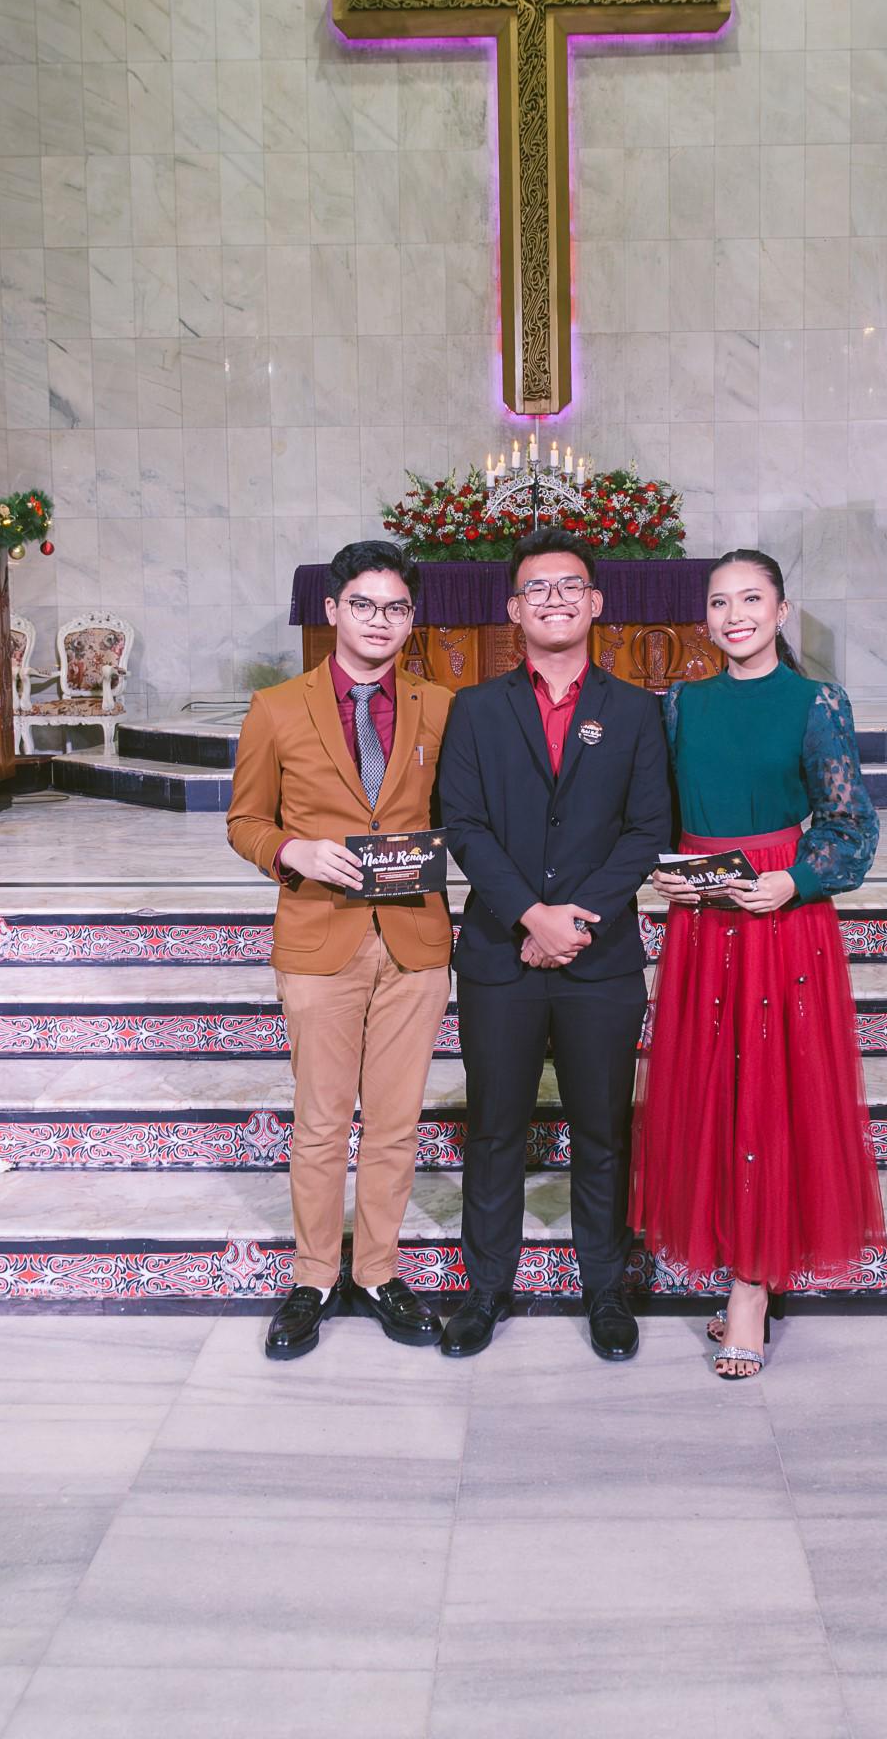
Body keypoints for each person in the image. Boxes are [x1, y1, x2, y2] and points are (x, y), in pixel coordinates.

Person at [629, 548, 886, 1380]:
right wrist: (663, 870)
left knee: (770, 1094)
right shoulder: (681, 705)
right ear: (703, 619)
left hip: (781, 920)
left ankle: (750, 1291)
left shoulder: (816, 703)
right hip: (704, 920)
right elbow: (659, 814)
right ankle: (731, 1260)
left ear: (781, 611)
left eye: (750, 600)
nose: (734, 615)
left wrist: (794, 880)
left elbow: (852, 829)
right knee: (711, 1089)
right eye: (719, 602)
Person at [438, 526, 671, 1361]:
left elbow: (648, 830)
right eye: (537, 587)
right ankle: (485, 1289)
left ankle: (605, 1289)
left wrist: (576, 920)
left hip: (600, 959)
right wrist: (529, 916)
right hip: (500, 956)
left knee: (603, 1130)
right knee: (494, 1129)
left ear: (596, 602)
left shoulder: (637, 710)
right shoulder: (475, 709)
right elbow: (463, 825)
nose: (555, 599)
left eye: (570, 585)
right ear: (513, 609)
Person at [227, 541, 454, 1361]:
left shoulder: (441, 705)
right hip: (320, 936)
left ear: (412, 618)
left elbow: (464, 812)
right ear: (332, 610)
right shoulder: (276, 707)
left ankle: (379, 1270)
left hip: (414, 940)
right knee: (322, 1122)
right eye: (363, 604)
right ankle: (315, 1276)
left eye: (396, 608)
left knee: (395, 1122)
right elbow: (244, 821)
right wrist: (294, 850)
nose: (379, 621)